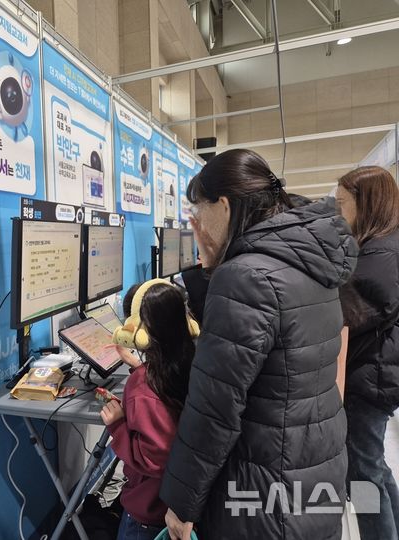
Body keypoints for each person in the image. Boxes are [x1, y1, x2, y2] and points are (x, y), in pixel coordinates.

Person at [160, 149, 358, 540]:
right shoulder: (310, 260)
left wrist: (182, 503)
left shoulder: (245, 276)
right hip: (314, 462)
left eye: (198, 215)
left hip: (267, 487)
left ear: (224, 205)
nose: (196, 228)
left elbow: (214, 410)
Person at [100, 281, 196, 540]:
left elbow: (154, 457)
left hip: (149, 516)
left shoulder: (143, 386)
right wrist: (137, 366)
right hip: (183, 503)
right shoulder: (192, 360)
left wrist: (118, 425)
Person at [336, 166, 399, 539]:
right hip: (376, 373)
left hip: (371, 380)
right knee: (372, 466)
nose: (339, 213)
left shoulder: (380, 256)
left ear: (367, 204)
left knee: (364, 474)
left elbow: (346, 313)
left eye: (343, 204)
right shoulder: (381, 247)